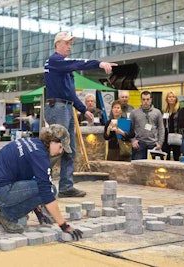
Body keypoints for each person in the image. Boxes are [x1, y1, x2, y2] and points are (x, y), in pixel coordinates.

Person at [0, 124, 83, 240]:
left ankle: (7, 213)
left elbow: (30, 181)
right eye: (61, 147)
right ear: (53, 141)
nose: (60, 152)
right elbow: (46, 193)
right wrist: (64, 226)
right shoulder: (40, 156)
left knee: (42, 187)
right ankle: (7, 216)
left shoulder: (32, 143)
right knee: (51, 190)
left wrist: (38, 211)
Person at [44, 31, 117, 198]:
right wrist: (98, 63)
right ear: (57, 44)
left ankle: (66, 187)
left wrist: (84, 110)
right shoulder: (55, 60)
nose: (70, 46)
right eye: (66, 43)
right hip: (57, 108)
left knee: (69, 150)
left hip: (65, 107)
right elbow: (78, 63)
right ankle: (37, 181)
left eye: (71, 43)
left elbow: (70, 93)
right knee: (57, 148)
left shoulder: (64, 68)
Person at [130, 91, 164, 160]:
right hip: (139, 144)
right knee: (137, 167)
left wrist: (160, 143)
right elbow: (130, 128)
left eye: (148, 99)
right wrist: (133, 140)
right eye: (144, 99)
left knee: (154, 168)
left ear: (151, 100)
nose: (146, 101)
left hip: (153, 144)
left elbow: (161, 128)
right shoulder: (134, 112)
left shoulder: (157, 112)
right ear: (141, 100)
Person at [161, 91, 181, 161]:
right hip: (166, 135)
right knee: (166, 156)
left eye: (173, 97)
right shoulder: (164, 111)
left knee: (176, 156)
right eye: (170, 97)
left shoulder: (180, 110)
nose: (171, 98)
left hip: (176, 135)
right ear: (167, 99)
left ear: (176, 99)